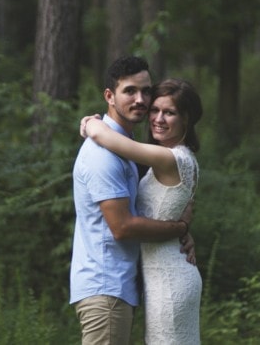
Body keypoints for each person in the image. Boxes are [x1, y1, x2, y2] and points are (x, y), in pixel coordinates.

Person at [70, 56, 195, 345]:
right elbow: (122, 227)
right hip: (106, 287)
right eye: (130, 91)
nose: (141, 99)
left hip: (121, 285)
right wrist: (179, 229)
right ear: (109, 96)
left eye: (146, 91)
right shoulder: (103, 155)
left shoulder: (126, 149)